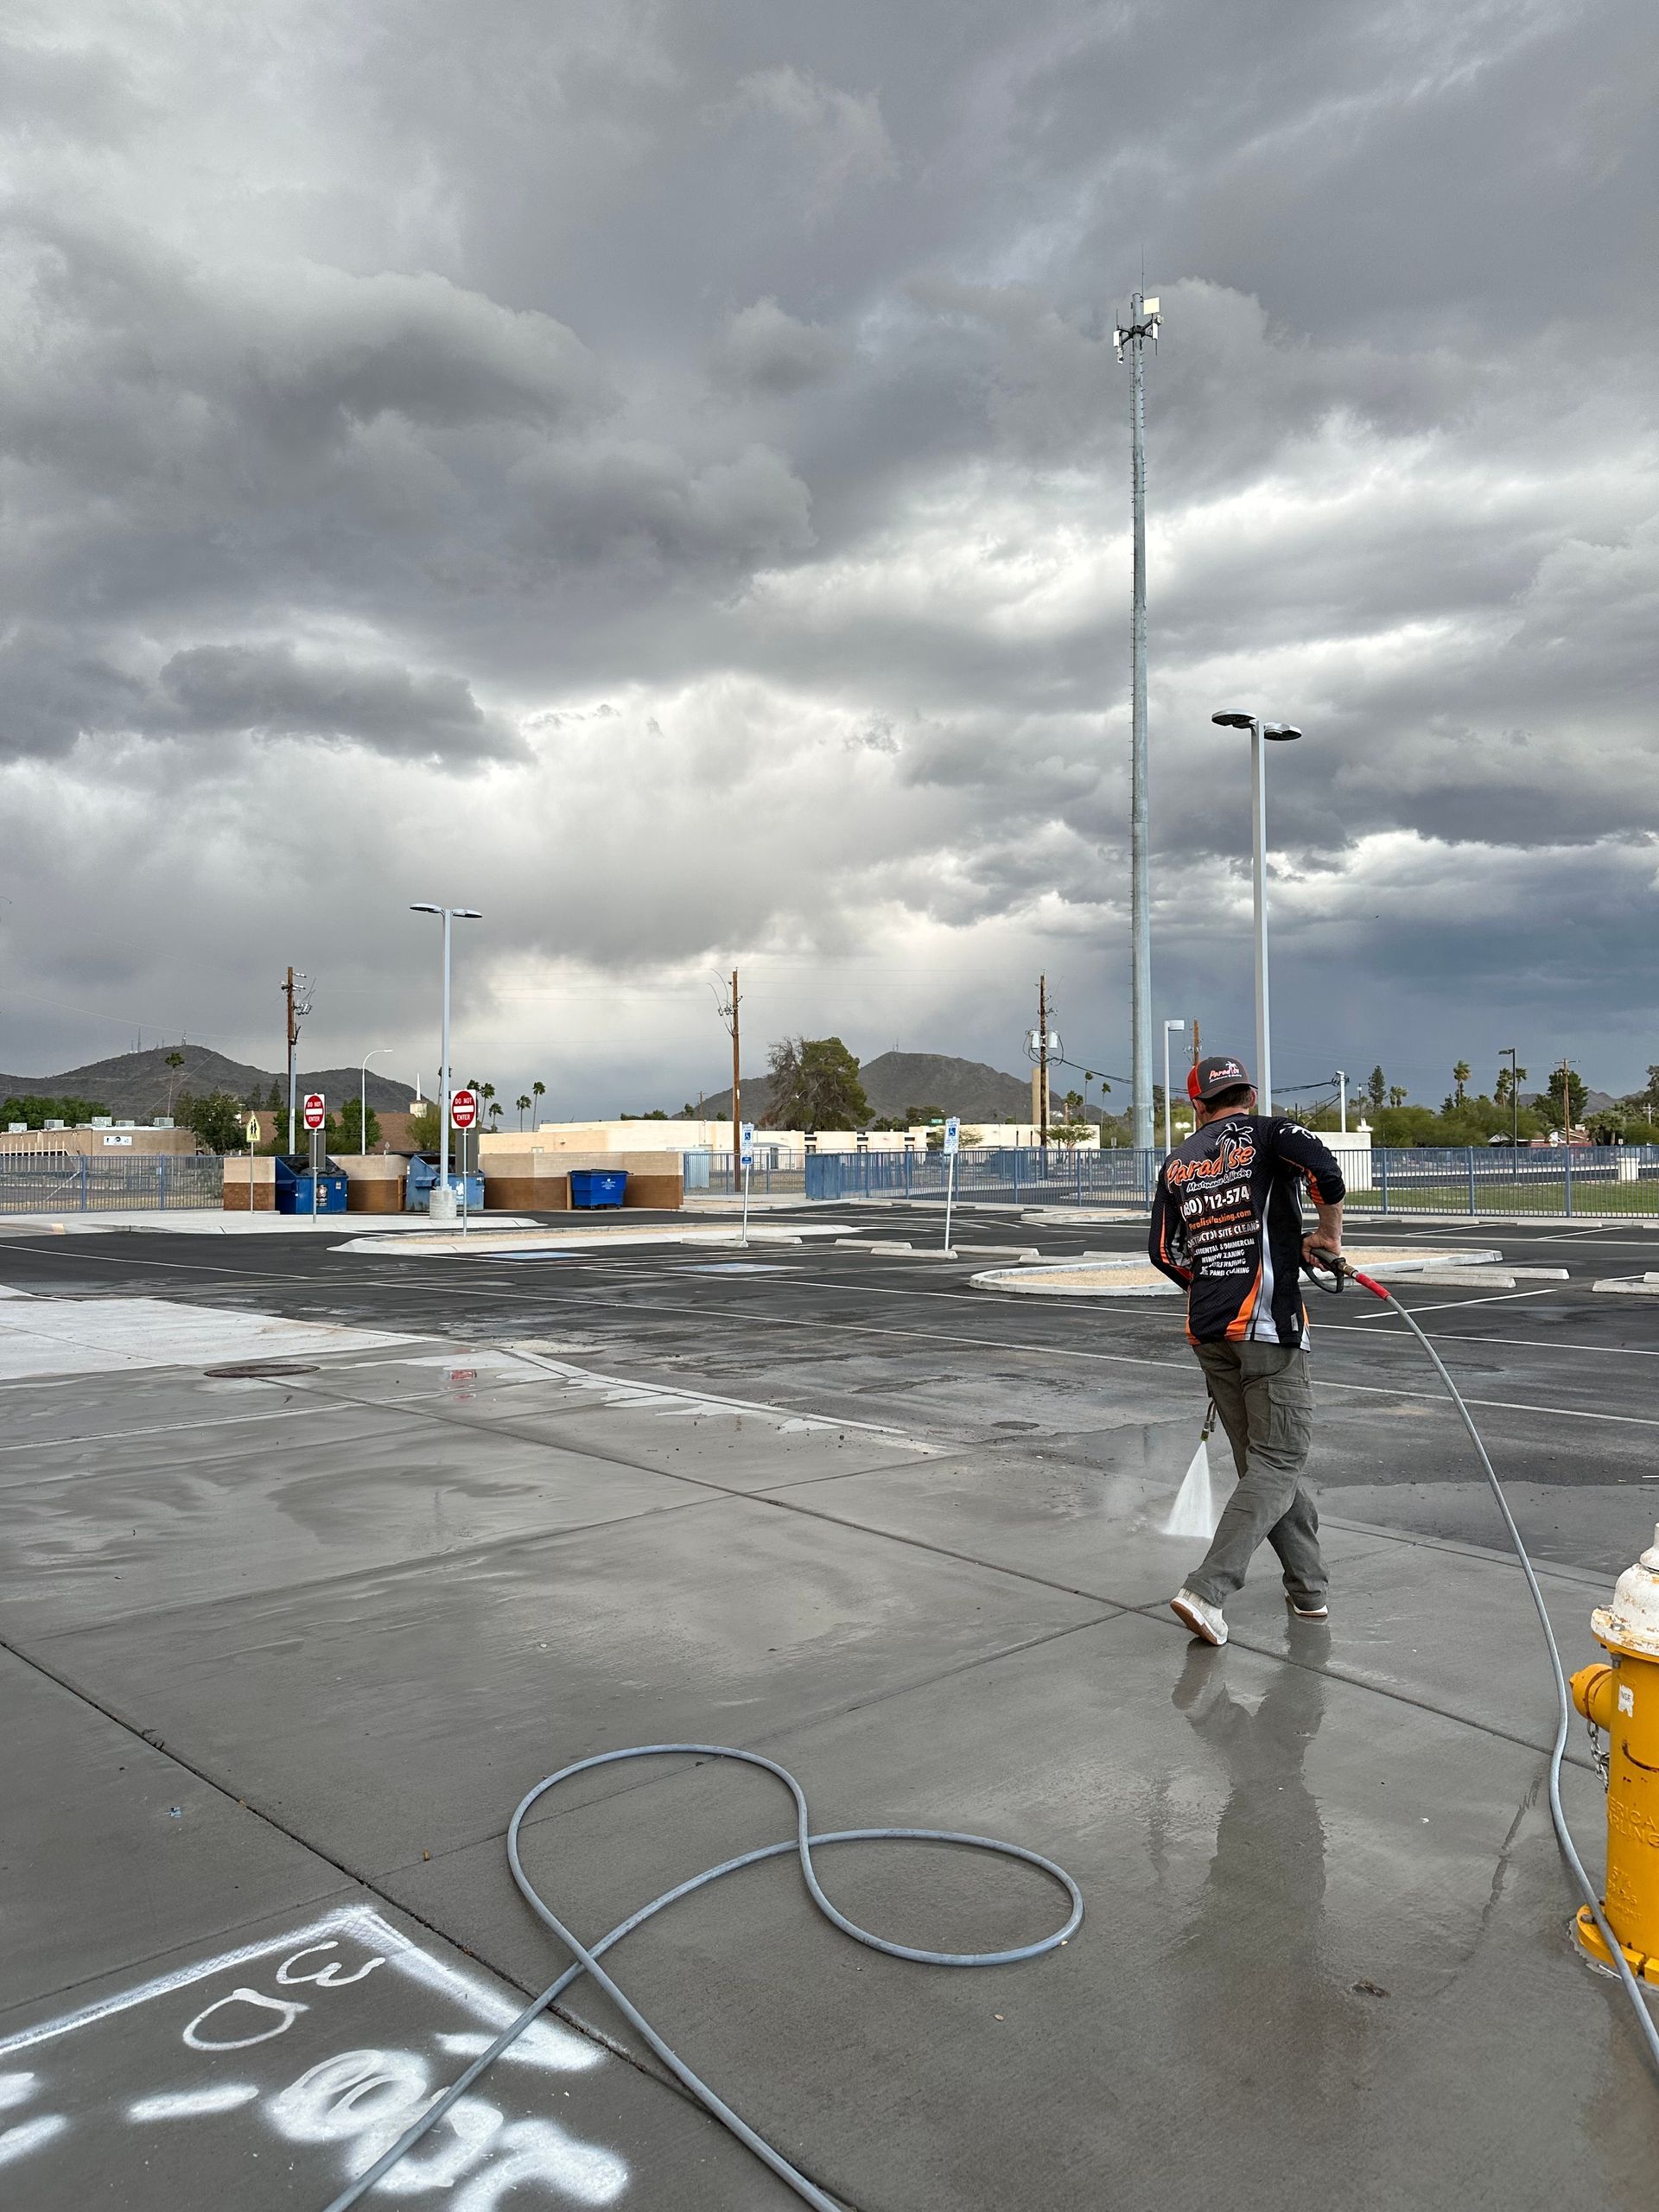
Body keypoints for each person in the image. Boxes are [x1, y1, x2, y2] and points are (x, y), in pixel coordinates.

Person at [1147, 1053, 1346, 1647]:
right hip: (1266, 1325)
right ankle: (1207, 1590)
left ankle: (1309, 1591)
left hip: (1209, 1329)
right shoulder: (1269, 1133)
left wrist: (1212, 1284)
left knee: (1263, 1467)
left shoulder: (1177, 1162)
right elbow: (1327, 1175)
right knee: (1279, 1463)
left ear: (1197, 1105)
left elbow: (1164, 1252)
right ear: (1249, 1096)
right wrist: (1328, 1236)